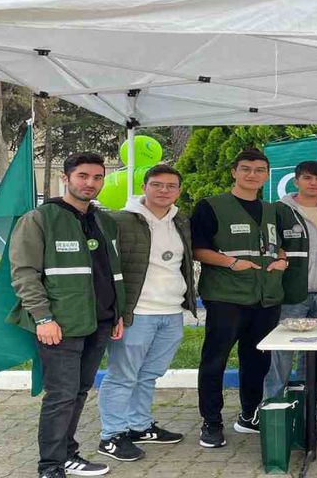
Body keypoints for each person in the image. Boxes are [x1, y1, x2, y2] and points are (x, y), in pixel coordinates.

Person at [7, 152, 126, 478]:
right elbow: (24, 274)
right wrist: (43, 318)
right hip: (61, 325)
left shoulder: (104, 221)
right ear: (66, 178)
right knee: (61, 396)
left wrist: (117, 313)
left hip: (100, 321)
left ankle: (69, 454)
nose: (91, 183)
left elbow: (111, 272)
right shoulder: (39, 219)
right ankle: (51, 467)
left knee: (79, 391)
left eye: (97, 177)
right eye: (83, 176)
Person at [97, 164, 196, 462]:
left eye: (171, 186)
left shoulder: (181, 222)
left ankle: (139, 426)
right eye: (157, 185)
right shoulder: (120, 221)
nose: (164, 191)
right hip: (137, 313)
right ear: (144, 187)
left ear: (178, 191)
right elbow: (105, 268)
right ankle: (111, 435)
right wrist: (115, 311)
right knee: (123, 376)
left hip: (171, 311)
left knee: (149, 374)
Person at [191, 149, 287, 448]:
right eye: (245, 169)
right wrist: (231, 263)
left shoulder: (272, 209)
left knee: (257, 361)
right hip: (226, 297)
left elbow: (278, 246)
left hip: (266, 298)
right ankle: (212, 422)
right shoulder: (211, 206)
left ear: (267, 175)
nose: (252, 175)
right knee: (215, 361)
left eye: (259, 170)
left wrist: (282, 261)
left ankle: (249, 415)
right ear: (234, 171)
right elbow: (197, 249)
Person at [263, 161, 317, 419]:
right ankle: (274, 406)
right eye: (307, 178)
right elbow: (270, 244)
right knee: (283, 352)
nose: (314, 183)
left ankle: (309, 404)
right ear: (296, 180)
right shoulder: (279, 210)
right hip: (293, 295)